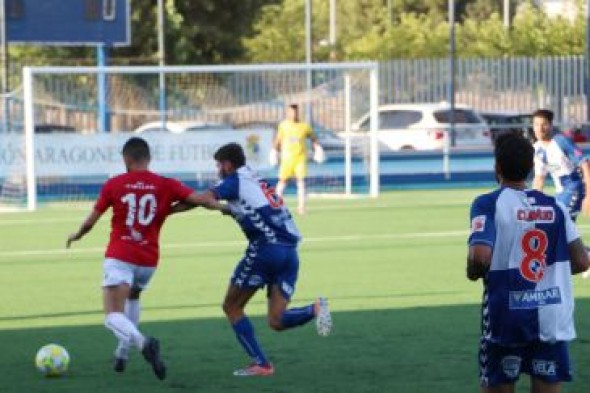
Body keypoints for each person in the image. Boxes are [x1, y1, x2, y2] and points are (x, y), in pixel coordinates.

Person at [66, 137, 223, 380]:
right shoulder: (165, 184)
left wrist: (76, 235)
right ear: (148, 158)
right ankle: (122, 352)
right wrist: (223, 207)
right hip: (148, 261)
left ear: (126, 159)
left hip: (121, 256)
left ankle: (142, 342)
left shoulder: (114, 184)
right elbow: (201, 201)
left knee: (111, 315)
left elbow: (90, 222)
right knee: (134, 296)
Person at [173, 142, 332, 377]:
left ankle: (262, 364)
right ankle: (315, 308)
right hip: (290, 253)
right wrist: (225, 209)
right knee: (276, 320)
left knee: (232, 306)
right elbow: (244, 208)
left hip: (266, 251)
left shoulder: (234, 180)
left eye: (219, 165)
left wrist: (167, 209)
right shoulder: (257, 180)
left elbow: (203, 198)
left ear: (227, 165)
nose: (218, 169)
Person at [466, 132, 590, 393]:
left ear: (497, 167)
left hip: (506, 317)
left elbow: (479, 256)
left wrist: (473, 271)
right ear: (532, 168)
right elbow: (581, 261)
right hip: (551, 317)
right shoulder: (556, 206)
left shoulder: (487, 204)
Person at [531, 108, 590, 222]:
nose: (540, 128)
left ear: (551, 125)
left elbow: (585, 164)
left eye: (544, 124)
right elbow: (539, 178)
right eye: (536, 124)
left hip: (575, 188)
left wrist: (588, 196)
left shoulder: (561, 141)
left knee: (560, 223)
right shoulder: (537, 148)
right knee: (560, 228)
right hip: (560, 192)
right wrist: (533, 202)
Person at [269, 104, 324, 215]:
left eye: (295, 112)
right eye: (291, 112)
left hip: (300, 158)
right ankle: (276, 205)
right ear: (288, 113)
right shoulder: (283, 125)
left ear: (298, 113)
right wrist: (274, 152)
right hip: (287, 159)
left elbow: (313, 138)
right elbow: (278, 140)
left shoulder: (304, 126)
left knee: (301, 181)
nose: (293, 114)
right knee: (283, 181)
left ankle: (301, 207)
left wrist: (318, 148)